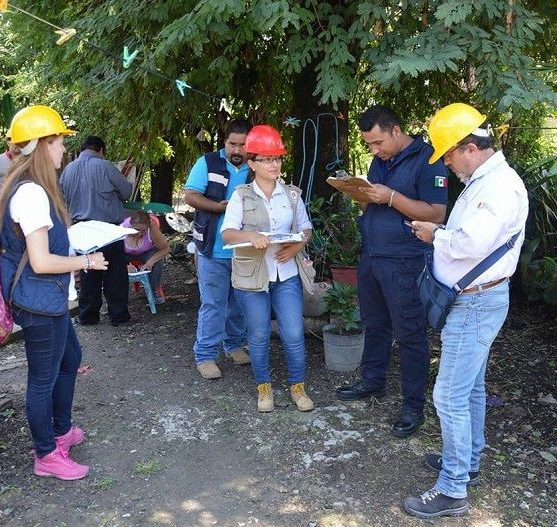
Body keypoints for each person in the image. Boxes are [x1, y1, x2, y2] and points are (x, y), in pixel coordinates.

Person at [403, 103, 528, 518]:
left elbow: (469, 244)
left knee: (449, 395)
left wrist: (435, 234)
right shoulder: (485, 180)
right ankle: (467, 463)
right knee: (470, 387)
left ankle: (453, 489)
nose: (448, 163)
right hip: (474, 298)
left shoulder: (497, 187)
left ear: (470, 147)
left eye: (449, 154)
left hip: (476, 301)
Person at [0, 105, 109, 481]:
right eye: (60, 141)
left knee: (70, 356)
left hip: (46, 298)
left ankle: (60, 431)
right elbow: (42, 262)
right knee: (42, 379)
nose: (64, 149)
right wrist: (86, 262)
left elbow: (42, 248)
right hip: (38, 300)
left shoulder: (34, 188)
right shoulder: (30, 194)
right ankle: (46, 453)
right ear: (43, 144)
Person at [334, 105, 448, 438]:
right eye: (369, 144)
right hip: (372, 256)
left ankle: (413, 406)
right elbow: (373, 204)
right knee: (375, 323)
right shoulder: (379, 161)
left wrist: (391, 196)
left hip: (405, 261)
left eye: (378, 142)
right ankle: (373, 381)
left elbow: (436, 214)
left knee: (410, 334)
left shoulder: (429, 161)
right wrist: (357, 192)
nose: (375, 150)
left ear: (396, 131)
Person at [220, 124, 314, 413]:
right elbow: (227, 234)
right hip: (252, 277)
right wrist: (251, 236)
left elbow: (306, 229)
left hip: (285, 274)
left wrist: (297, 246)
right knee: (258, 335)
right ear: (252, 163)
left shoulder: (292, 195)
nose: (274, 164)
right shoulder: (241, 195)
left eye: (278, 158)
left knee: (294, 333)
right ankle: (264, 389)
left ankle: (298, 388)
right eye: (267, 159)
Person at [184, 120, 252, 379]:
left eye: (243, 145)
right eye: (232, 143)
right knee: (213, 304)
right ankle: (205, 356)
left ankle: (234, 345)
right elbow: (190, 195)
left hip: (245, 250)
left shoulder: (256, 167)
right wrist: (220, 207)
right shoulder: (208, 162)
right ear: (224, 142)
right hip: (212, 248)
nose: (237, 149)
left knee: (239, 303)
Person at [59, 135, 133, 326]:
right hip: (107, 229)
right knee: (114, 273)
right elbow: (126, 192)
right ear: (101, 150)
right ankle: (118, 316)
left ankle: (88, 316)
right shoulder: (105, 166)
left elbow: (62, 198)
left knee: (87, 272)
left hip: (81, 228)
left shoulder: (67, 170)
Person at [122, 211, 170, 303]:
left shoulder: (152, 228)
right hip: (125, 253)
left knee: (157, 261)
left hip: (146, 252)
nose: (139, 233)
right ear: (130, 225)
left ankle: (154, 290)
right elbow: (115, 253)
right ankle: (118, 294)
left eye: (143, 230)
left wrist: (150, 262)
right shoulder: (122, 227)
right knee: (115, 264)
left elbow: (166, 249)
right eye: (136, 229)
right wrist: (124, 265)